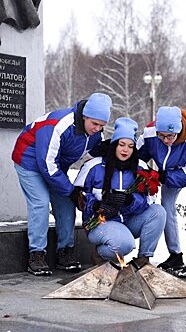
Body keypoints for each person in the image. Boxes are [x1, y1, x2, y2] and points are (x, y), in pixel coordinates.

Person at [12, 93, 112, 276]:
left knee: (66, 205)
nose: (97, 129)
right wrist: (71, 190)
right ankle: (36, 254)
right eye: (94, 124)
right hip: (29, 161)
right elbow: (46, 164)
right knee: (40, 203)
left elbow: (86, 148)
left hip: (54, 166)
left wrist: (106, 149)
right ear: (84, 116)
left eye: (101, 125)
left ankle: (65, 251)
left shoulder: (94, 132)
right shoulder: (59, 125)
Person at [73, 117, 166, 268]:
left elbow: (150, 200)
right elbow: (78, 196)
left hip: (129, 221)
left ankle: (143, 259)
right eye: (121, 144)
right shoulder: (94, 165)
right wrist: (97, 205)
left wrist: (130, 200)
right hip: (102, 222)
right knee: (124, 244)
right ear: (114, 144)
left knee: (158, 212)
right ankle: (100, 254)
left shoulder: (140, 167)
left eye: (130, 146)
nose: (125, 150)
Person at [137, 106, 186, 277]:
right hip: (172, 169)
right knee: (166, 206)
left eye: (170, 136)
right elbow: (137, 156)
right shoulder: (150, 132)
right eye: (162, 136)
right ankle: (175, 255)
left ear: (179, 130)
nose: (165, 140)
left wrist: (166, 177)